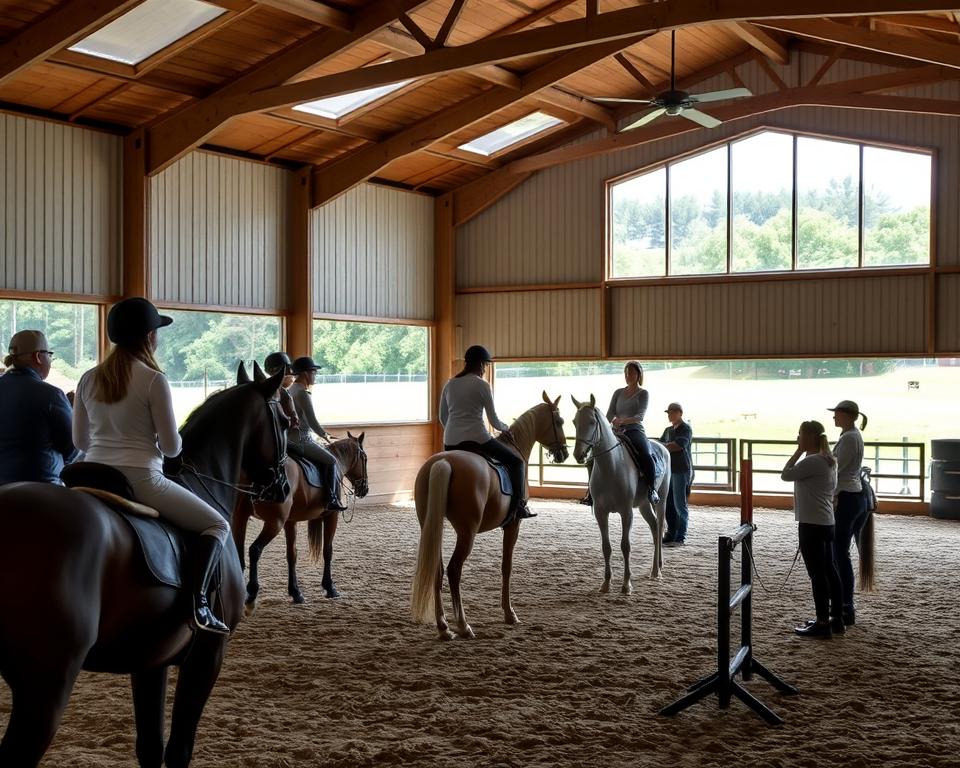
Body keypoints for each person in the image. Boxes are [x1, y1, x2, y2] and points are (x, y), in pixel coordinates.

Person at [72, 297, 231, 635]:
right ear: (148, 336)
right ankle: (199, 603)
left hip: (90, 473)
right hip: (140, 478)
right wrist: (160, 444)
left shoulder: (88, 378)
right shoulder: (153, 380)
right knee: (217, 525)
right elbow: (172, 448)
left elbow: (80, 443)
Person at [439, 345, 533, 520]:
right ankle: (519, 507)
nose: (485, 368)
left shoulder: (450, 384)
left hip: (450, 441)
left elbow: (442, 417)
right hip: (478, 439)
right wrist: (506, 428)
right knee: (516, 462)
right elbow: (494, 421)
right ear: (481, 364)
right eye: (485, 365)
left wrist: (455, 431)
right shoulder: (482, 385)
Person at [781, 420, 843, 639]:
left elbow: (786, 474)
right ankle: (836, 618)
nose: (797, 438)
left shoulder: (813, 461)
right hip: (826, 522)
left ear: (810, 438)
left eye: (800, 435)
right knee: (829, 570)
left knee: (817, 574)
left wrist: (798, 451)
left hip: (811, 523)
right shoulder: (828, 460)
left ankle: (822, 622)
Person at [0, 330, 79, 485]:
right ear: (38, 356)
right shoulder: (51, 394)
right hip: (41, 491)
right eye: (49, 354)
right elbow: (72, 448)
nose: (50, 359)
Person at [286, 356, 346, 512]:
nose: (315, 376)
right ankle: (332, 499)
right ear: (306, 373)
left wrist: (322, 432)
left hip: (287, 440)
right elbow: (312, 422)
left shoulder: (289, 391)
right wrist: (324, 436)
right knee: (332, 461)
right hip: (301, 441)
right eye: (314, 372)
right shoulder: (302, 393)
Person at [829, 399, 869, 626]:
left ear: (848, 416)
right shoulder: (852, 436)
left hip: (846, 497)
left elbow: (836, 467)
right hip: (854, 496)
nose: (834, 417)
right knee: (841, 553)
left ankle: (845, 605)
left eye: (837, 414)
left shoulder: (849, 438)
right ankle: (844, 605)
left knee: (839, 554)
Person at [607, 361, 659, 505]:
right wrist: (609, 424)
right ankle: (592, 492)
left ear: (638, 375)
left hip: (634, 429)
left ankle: (651, 488)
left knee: (645, 454)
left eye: (631, 373)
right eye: (626, 373)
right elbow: (610, 413)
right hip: (615, 430)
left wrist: (622, 421)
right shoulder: (618, 392)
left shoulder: (643, 393)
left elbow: (639, 416)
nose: (628, 376)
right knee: (597, 453)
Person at [660, 402, 693, 546]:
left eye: (672, 412)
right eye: (669, 413)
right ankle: (671, 532)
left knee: (680, 503)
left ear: (680, 413)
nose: (670, 415)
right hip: (669, 470)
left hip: (681, 469)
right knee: (669, 504)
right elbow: (662, 444)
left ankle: (681, 535)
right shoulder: (668, 430)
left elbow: (678, 446)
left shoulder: (686, 429)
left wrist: (663, 446)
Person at [264, 351, 299, 430]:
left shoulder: (285, 391)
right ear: (273, 371)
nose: (290, 372)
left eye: (289, 368)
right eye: (285, 369)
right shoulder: (274, 393)